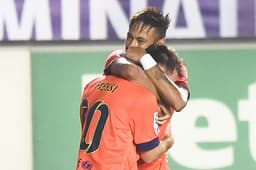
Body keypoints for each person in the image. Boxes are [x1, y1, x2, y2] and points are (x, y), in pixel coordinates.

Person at [104, 7, 190, 170]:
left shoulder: (175, 69)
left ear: (159, 43)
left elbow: (179, 101)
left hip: (155, 165)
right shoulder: (118, 59)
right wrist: (163, 98)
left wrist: (145, 59)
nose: (131, 46)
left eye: (140, 41)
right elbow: (131, 72)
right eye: (129, 37)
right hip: (123, 163)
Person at [76, 74, 174, 170]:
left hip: (85, 165)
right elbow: (149, 155)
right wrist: (168, 141)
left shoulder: (92, 85)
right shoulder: (140, 95)